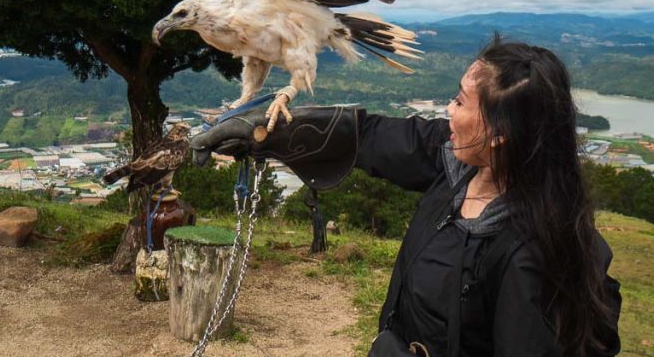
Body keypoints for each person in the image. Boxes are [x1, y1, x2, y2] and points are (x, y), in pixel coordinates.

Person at [192, 37, 622, 356]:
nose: (448, 111)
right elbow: (366, 138)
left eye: (459, 101)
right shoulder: (455, 164)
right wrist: (261, 133)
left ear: (499, 134)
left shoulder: (528, 253)